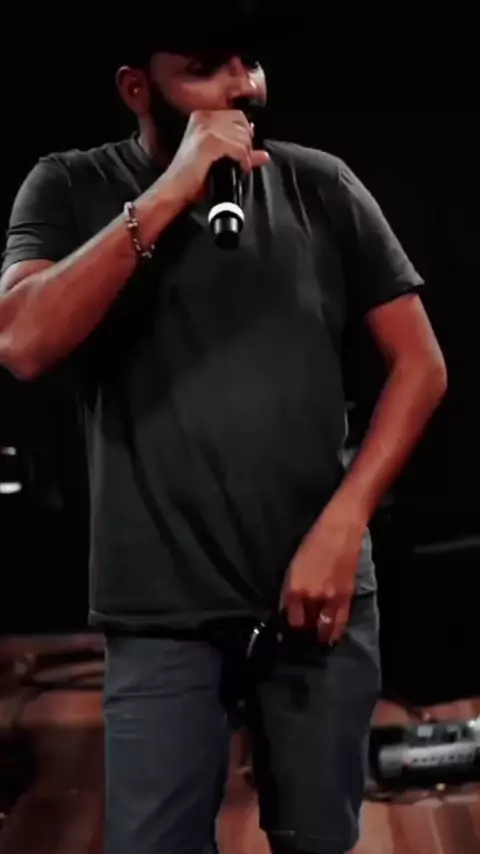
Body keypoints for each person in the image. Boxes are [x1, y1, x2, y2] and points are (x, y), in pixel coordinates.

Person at [0, 15, 447, 854]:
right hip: (160, 613)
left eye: (248, 62)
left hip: (315, 599)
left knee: (319, 838)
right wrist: (171, 191)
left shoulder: (322, 185)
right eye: (207, 68)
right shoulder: (67, 187)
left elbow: (422, 367)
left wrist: (345, 524)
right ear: (138, 88)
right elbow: (22, 341)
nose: (243, 86)